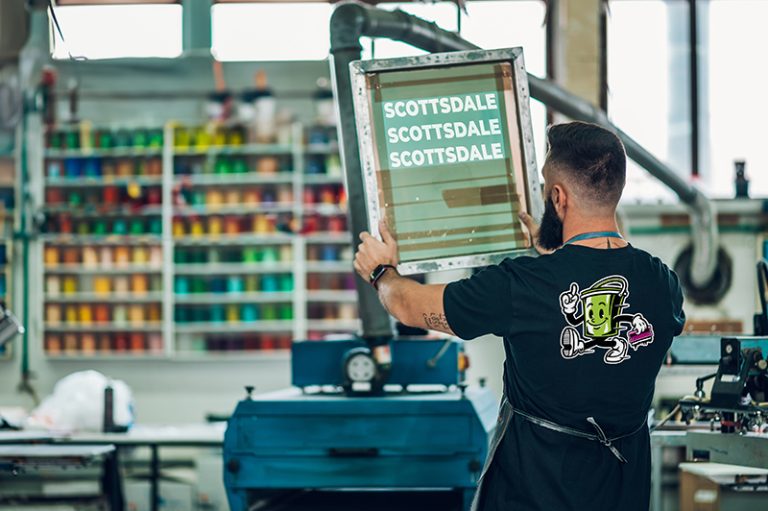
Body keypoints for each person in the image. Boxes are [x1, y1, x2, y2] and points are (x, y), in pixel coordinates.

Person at [353, 121, 686, 511]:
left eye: (545, 188)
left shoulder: (521, 285)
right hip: (620, 496)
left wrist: (380, 272)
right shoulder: (662, 284)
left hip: (531, 496)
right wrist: (555, 255)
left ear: (558, 198)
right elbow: (594, 287)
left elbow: (409, 306)